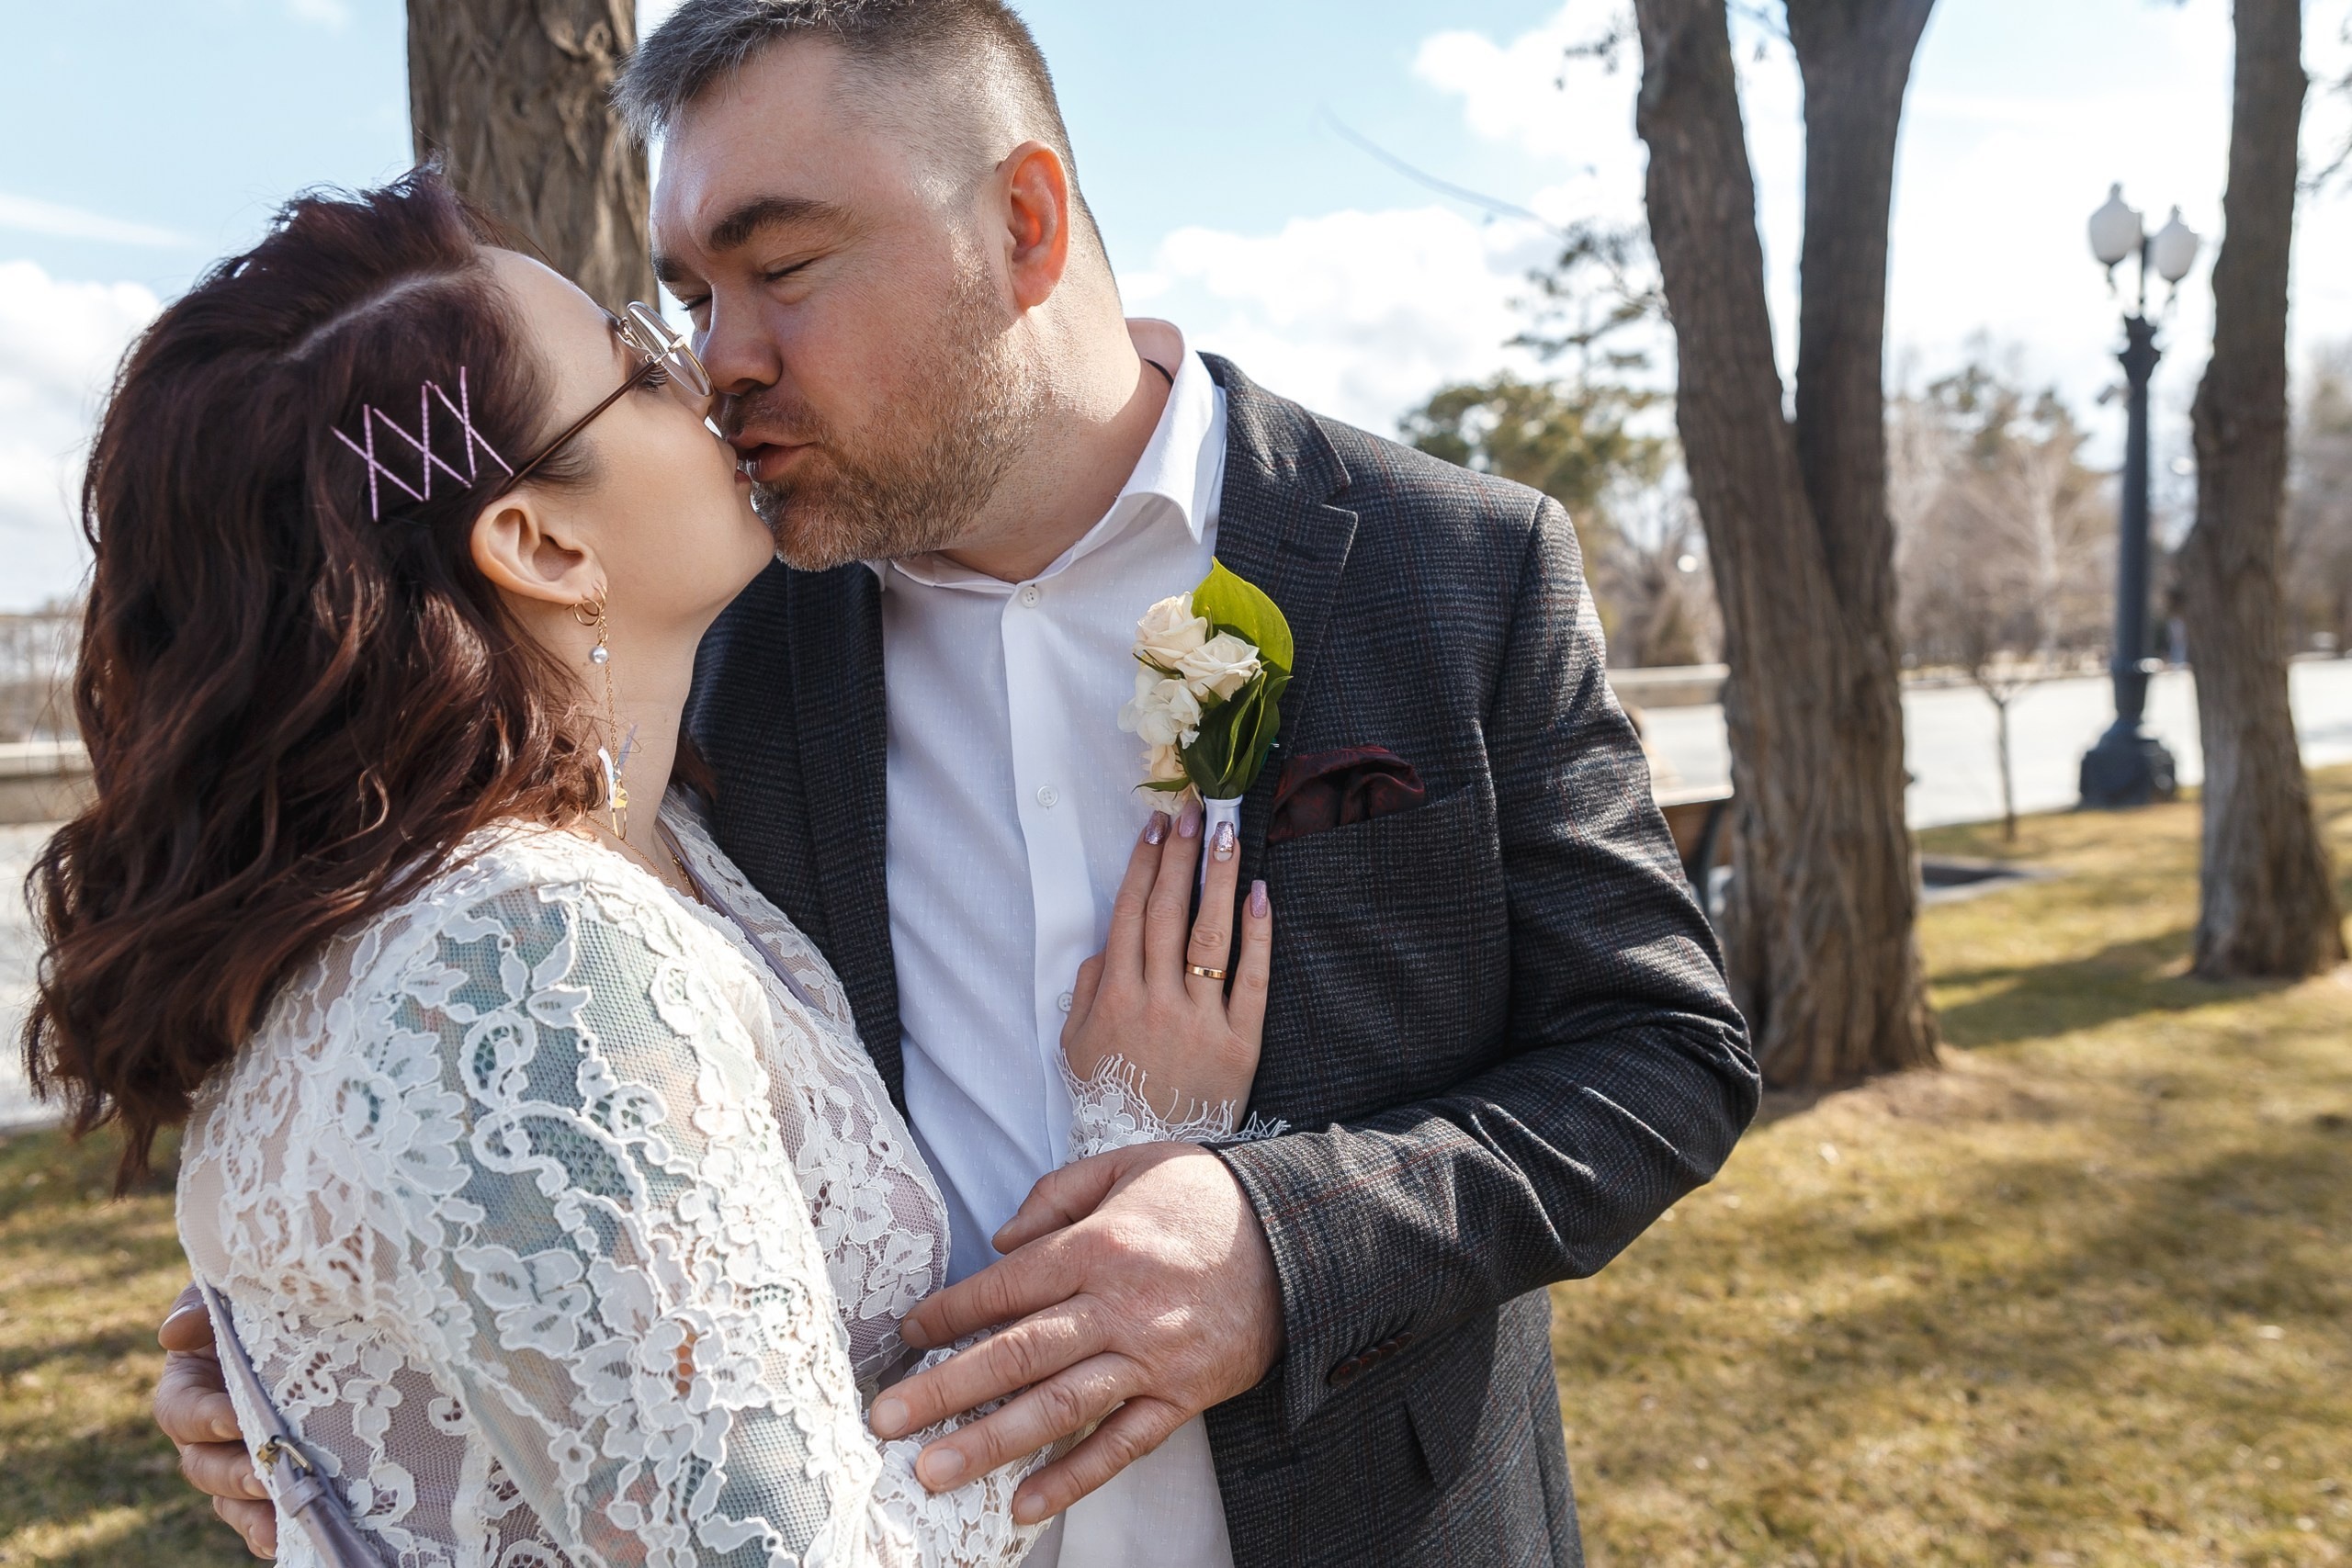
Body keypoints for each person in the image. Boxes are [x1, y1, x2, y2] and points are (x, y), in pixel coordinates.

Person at [159, 2, 1760, 1564]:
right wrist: (339, 1349)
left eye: (781, 270)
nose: (722, 360)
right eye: (689, 297)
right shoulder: (705, 636)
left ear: (1024, 222)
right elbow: (545, 1137)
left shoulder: (1449, 565)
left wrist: (1286, 1246)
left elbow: (1661, 1052)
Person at [34, 169, 1278, 1567]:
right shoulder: (531, 950)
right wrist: (1138, 1143)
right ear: (543, 542)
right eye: (635, 364)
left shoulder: (639, 851)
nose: (706, 375)